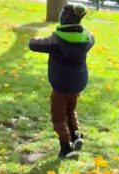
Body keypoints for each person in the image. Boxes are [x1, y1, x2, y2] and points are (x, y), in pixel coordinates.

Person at [28, 3, 95, 159]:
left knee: (58, 117)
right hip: (77, 85)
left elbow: (34, 44)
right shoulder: (86, 39)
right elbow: (92, 36)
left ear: (63, 20)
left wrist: (33, 36)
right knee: (71, 111)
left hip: (60, 87)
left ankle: (66, 147)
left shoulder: (55, 40)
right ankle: (76, 135)